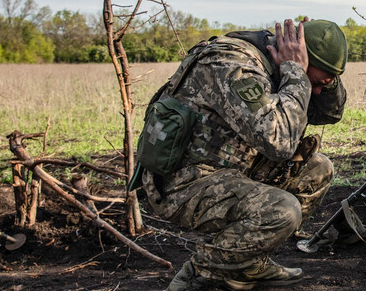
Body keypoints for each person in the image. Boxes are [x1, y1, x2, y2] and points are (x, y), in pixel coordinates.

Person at [139, 18, 348, 290]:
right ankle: (201, 272)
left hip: (229, 170)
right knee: (281, 210)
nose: (316, 91)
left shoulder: (276, 66)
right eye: (316, 82)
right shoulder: (232, 65)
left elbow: (329, 113)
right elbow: (280, 143)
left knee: (317, 170)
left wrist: (324, 80)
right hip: (185, 182)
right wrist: (296, 71)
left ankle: (247, 263)